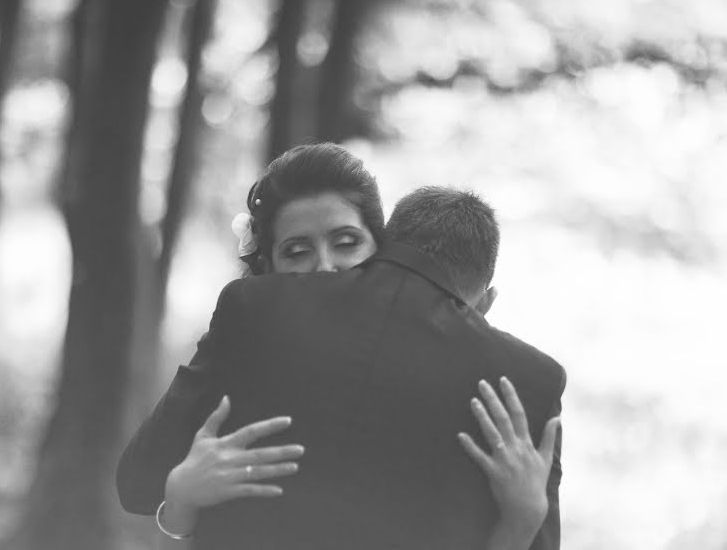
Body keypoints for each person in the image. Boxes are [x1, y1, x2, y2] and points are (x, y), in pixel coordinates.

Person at [117, 146, 564, 548]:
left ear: (385, 252)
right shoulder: (251, 323)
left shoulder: (500, 389)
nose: (325, 268)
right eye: (296, 251)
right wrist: (181, 495)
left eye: (346, 243)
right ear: (266, 265)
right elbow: (142, 482)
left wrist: (522, 519)